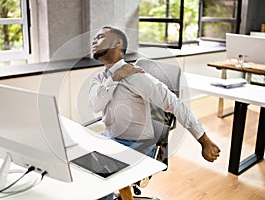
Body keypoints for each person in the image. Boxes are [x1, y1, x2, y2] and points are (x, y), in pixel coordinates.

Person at [89, 26, 220, 199]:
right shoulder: (99, 79)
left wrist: (205, 141)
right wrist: (115, 78)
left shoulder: (137, 77)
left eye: (100, 37)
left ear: (118, 43)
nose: (93, 41)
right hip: (111, 139)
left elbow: (174, 104)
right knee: (82, 162)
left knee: (99, 172)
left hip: (138, 145)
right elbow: (96, 106)